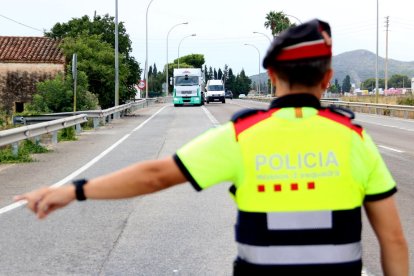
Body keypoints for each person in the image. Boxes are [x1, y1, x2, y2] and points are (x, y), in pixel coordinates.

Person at [15, 19, 408, 276]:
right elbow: (392, 240)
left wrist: (73, 190)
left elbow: (154, 176)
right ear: (328, 79)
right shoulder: (353, 139)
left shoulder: (244, 136)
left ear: (271, 76)